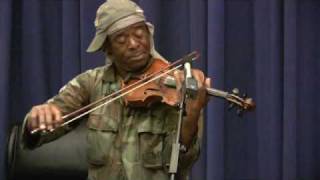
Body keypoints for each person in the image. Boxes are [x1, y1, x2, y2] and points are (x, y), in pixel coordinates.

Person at [21, 0, 211, 179]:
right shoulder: (91, 82)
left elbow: (180, 163)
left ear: (149, 35)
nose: (134, 44)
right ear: (108, 49)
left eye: (139, 34)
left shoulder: (174, 88)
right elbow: (40, 132)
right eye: (121, 39)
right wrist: (36, 119)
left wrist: (191, 115)